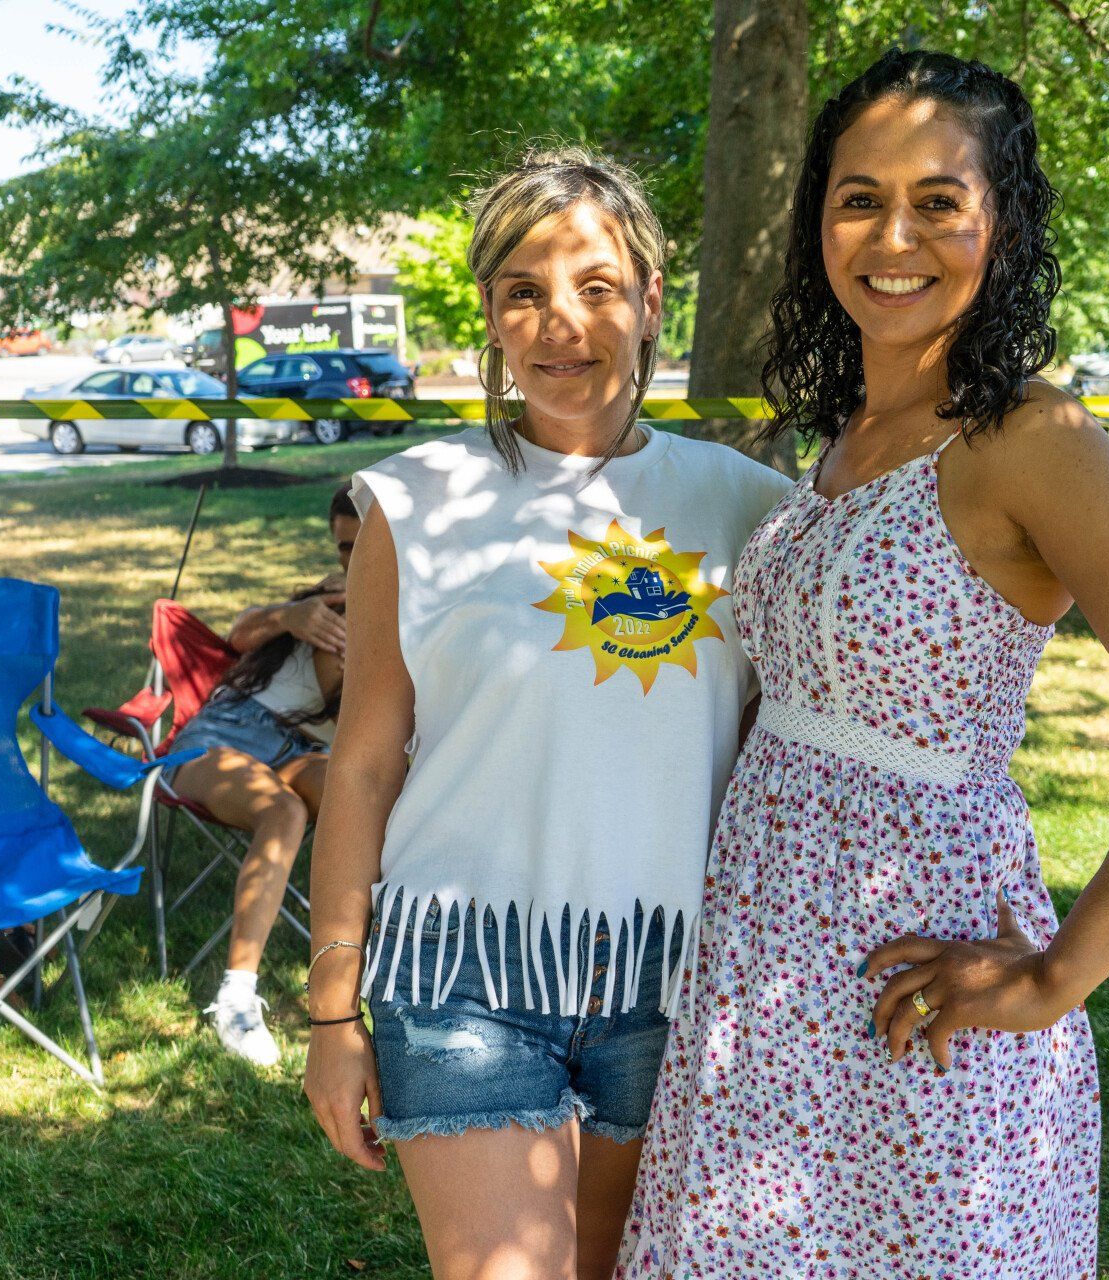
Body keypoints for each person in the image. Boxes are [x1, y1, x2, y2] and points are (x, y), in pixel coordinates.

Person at [616, 50, 1109, 1278]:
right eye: (859, 198)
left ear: (1003, 221)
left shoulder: (1031, 437)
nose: (894, 233)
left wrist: (1057, 974)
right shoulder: (847, 435)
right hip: (762, 966)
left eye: (939, 199)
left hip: (912, 978)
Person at [301, 147, 791, 1280]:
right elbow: (364, 764)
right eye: (523, 290)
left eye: (595, 285)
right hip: (458, 981)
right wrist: (334, 1013)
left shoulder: (748, 505)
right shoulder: (411, 501)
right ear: (490, 313)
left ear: (651, 296)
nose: (560, 322)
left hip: (672, 985)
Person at [171, 483, 361, 1066]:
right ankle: (236, 998)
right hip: (225, 736)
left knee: (367, 804)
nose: (350, 563)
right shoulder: (328, 605)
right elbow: (239, 634)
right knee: (283, 812)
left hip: (300, 750)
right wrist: (290, 615)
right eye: (343, 549)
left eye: (363, 548)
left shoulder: (417, 614)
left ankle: (391, 974)